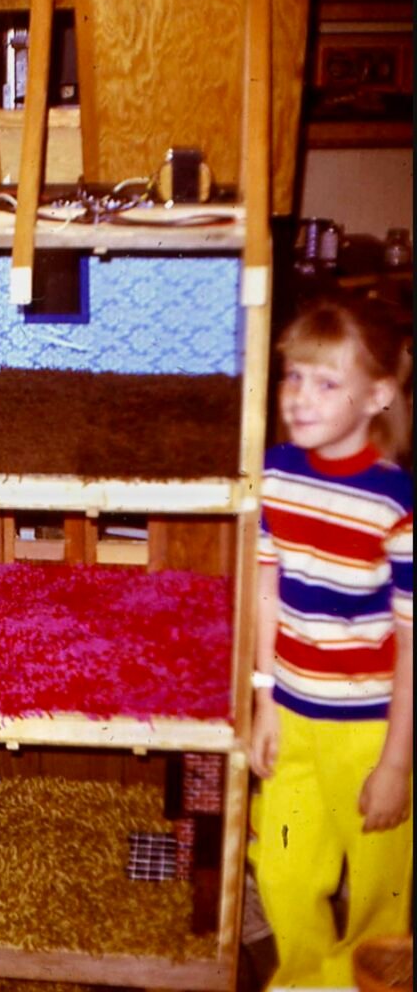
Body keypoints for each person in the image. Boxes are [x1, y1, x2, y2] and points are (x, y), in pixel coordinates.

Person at [249, 296, 413, 987]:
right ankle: (304, 981)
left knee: (379, 891)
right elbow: (265, 588)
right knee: (282, 871)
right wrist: (264, 701)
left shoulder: (395, 504)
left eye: (325, 382)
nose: (300, 396)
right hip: (292, 716)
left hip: (371, 732)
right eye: (294, 376)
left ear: (377, 396)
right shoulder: (276, 474)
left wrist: (396, 764)